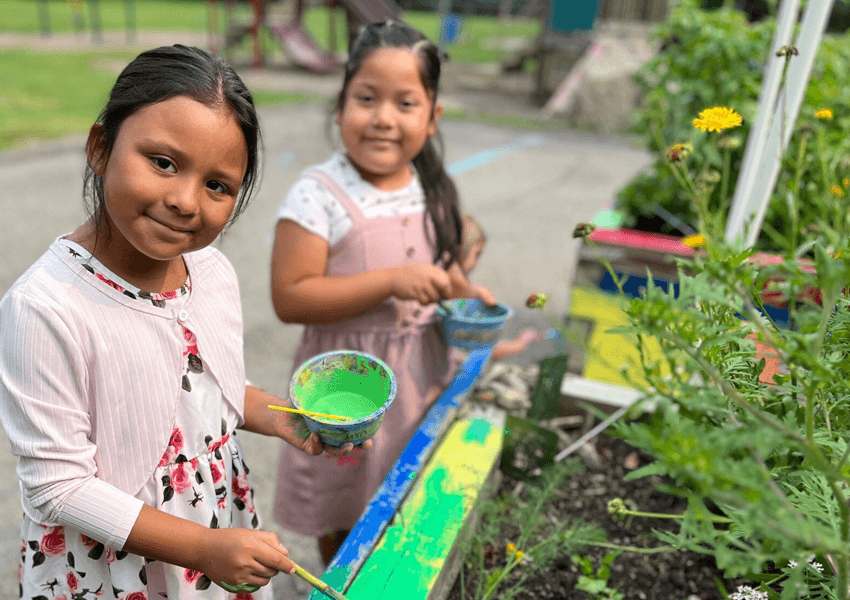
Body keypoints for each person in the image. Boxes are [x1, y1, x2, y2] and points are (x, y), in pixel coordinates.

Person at [0, 45, 362, 599]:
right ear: (101, 147)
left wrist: (287, 418)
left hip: (215, 528)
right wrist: (200, 548)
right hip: (110, 566)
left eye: (217, 185)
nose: (186, 200)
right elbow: (58, 486)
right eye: (163, 163)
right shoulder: (45, 307)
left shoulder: (212, 273)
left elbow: (204, 387)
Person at [270, 20, 495, 564]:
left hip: (421, 381)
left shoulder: (432, 186)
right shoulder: (317, 195)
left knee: (408, 502)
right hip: (348, 396)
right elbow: (291, 297)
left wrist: (464, 295)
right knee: (343, 513)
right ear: (341, 103)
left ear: (433, 115)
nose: (383, 119)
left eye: (405, 103)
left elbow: (440, 272)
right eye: (366, 99)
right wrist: (390, 282)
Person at [458, 214, 544, 361]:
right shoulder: (462, 298)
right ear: (461, 252)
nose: (476, 264)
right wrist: (519, 344)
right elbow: (480, 351)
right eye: (476, 255)